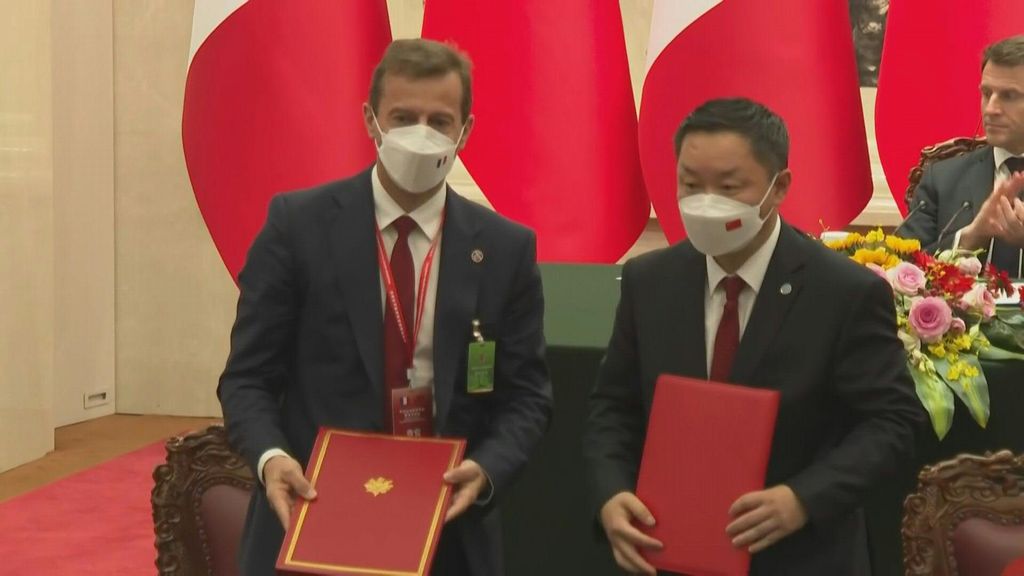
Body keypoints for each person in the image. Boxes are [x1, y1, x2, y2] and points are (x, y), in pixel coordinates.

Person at [218, 38, 552, 576]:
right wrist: (271, 458)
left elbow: (527, 396)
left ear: (465, 131)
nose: (421, 134)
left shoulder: (505, 249)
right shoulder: (297, 227)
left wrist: (488, 468)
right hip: (313, 514)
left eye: (439, 121)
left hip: (446, 528)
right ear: (371, 121)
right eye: (403, 117)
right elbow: (247, 378)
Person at [583, 98, 924, 575]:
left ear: (778, 187)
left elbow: (893, 422)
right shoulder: (650, 282)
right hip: (668, 550)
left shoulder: (843, 292)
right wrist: (612, 493)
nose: (706, 203)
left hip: (802, 555)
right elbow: (613, 408)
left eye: (728, 187)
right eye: (690, 184)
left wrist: (803, 498)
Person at [902, 35, 1024, 277]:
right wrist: (970, 237)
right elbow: (900, 268)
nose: (991, 109)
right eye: (986, 93)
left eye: (1009, 96)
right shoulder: (942, 179)